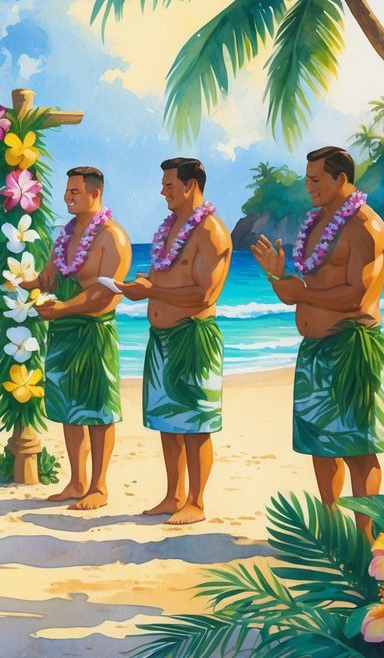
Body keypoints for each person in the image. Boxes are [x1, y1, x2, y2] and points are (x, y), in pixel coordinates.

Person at [251, 146, 384, 536]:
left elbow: (356, 297)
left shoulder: (366, 227)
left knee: (359, 450)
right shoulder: (316, 224)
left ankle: (366, 537)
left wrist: (300, 292)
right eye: (308, 178)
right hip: (314, 351)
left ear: (341, 180)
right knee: (321, 446)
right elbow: (295, 292)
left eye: (316, 179)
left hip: (351, 349)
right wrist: (277, 276)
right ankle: (333, 532)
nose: (308, 185)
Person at [119, 158, 231, 525]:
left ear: (191, 186)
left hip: (192, 339)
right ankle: (173, 495)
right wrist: (141, 288)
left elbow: (205, 295)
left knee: (195, 425)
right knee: (169, 422)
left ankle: (196, 502)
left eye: (169, 185)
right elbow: (161, 280)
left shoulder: (210, 231)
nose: (163, 191)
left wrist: (155, 291)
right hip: (162, 339)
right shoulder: (169, 228)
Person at [26, 166, 130, 511]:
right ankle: (77, 481)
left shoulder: (112, 236)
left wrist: (64, 308)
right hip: (64, 332)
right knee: (70, 409)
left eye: (74, 192)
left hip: (93, 332)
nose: (67, 197)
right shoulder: (66, 234)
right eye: (67, 191)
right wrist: (29, 282)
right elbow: (52, 275)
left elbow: (105, 293)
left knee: (97, 408)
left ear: (94, 193)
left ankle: (99, 485)